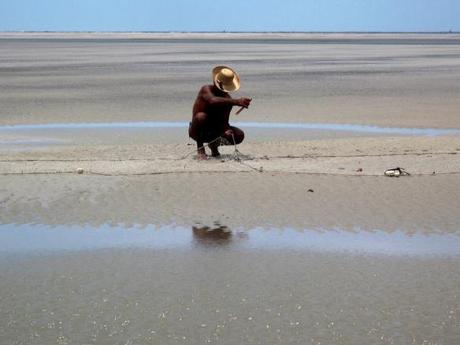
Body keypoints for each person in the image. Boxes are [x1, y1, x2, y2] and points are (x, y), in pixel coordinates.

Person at [189, 66, 252, 159]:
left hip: (215, 131)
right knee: (200, 117)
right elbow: (212, 100)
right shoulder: (206, 89)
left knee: (239, 135)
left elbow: (224, 121)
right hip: (198, 131)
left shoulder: (227, 99)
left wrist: (225, 130)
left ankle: (214, 146)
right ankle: (200, 148)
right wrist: (237, 102)